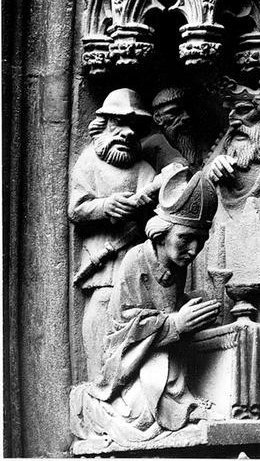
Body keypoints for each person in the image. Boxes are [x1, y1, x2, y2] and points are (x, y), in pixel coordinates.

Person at [70, 167, 220, 449]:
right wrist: (175, 324)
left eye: (200, 241)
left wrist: (190, 304)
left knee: (170, 372)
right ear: (162, 234)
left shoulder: (178, 265)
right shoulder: (135, 260)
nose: (193, 250)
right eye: (186, 238)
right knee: (141, 414)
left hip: (162, 351)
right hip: (130, 361)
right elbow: (126, 325)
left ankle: (180, 405)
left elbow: (164, 304)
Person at [69, 88, 156, 380]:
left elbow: (157, 209)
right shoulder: (90, 163)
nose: (127, 133)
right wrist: (106, 206)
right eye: (119, 123)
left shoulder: (144, 168)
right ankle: (97, 377)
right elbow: (77, 210)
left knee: (133, 311)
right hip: (101, 257)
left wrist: (142, 209)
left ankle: (122, 380)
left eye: (135, 126)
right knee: (102, 305)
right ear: (105, 123)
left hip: (134, 254)